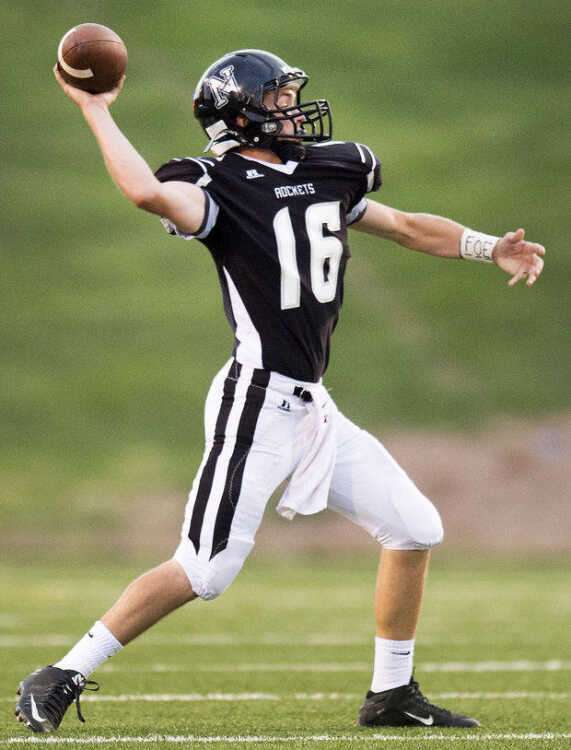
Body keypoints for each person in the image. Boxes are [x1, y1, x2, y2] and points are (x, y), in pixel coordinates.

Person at [16, 49, 545, 734]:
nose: (293, 110)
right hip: (257, 400)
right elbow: (146, 193)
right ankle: (59, 675)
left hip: (312, 407)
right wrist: (94, 109)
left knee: (415, 527)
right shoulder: (215, 185)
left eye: (292, 97)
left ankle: (391, 694)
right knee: (205, 570)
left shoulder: (326, 171)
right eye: (278, 100)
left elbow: (406, 226)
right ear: (239, 115)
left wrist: (487, 247)